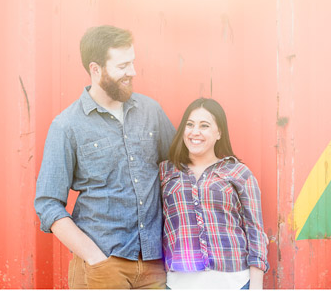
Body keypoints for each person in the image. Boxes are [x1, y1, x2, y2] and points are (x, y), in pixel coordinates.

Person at [35, 25, 176, 289]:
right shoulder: (67, 126)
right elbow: (48, 204)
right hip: (102, 265)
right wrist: (94, 258)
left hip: (155, 264)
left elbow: (180, 169)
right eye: (122, 66)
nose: (132, 72)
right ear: (96, 69)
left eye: (132, 63)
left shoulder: (150, 111)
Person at [160, 98, 268, 289]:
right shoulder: (166, 171)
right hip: (179, 284)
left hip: (234, 282)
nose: (195, 132)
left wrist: (256, 286)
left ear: (219, 133)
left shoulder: (239, 173)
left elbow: (255, 232)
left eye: (204, 126)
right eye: (190, 125)